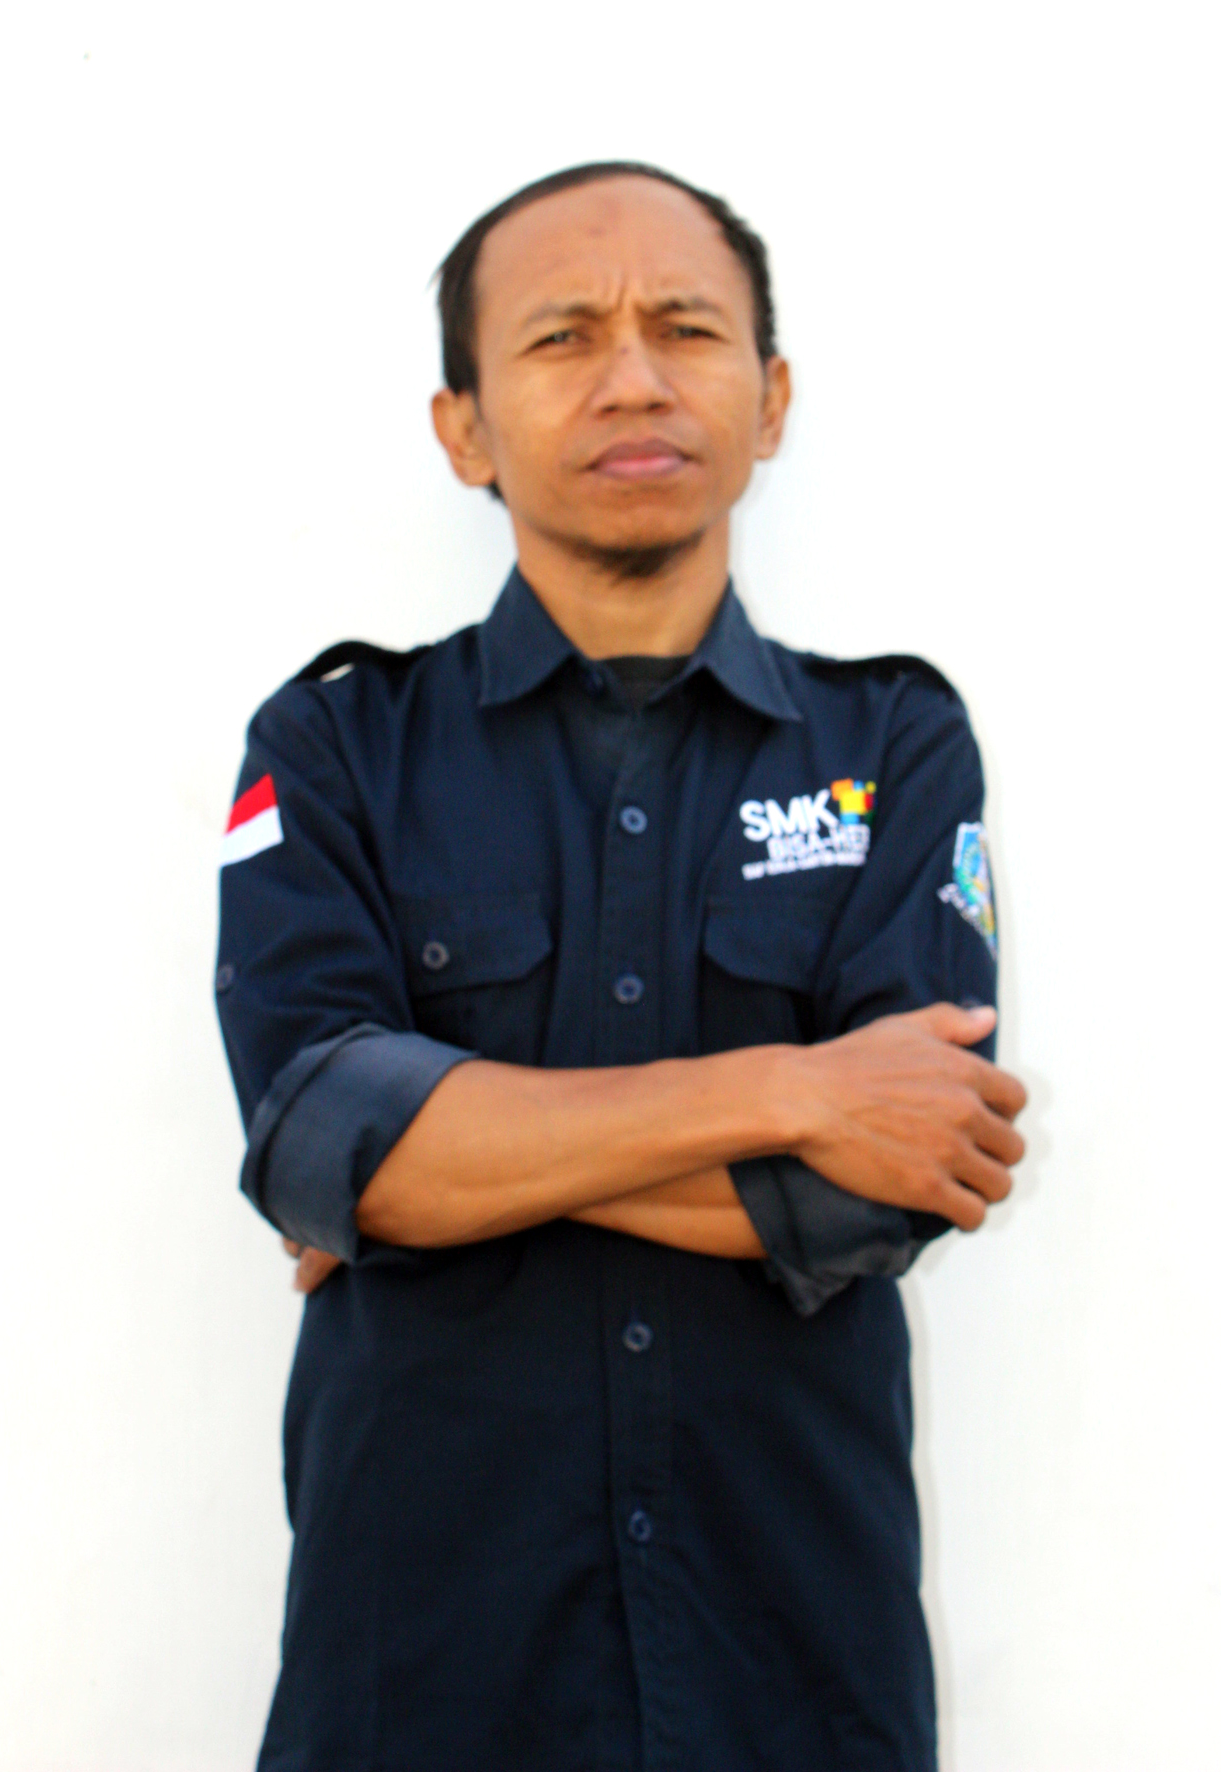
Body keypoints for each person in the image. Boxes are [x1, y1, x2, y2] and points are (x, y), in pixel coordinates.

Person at [214, 161, 1027, 1772]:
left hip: (793, 1667)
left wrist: (444, 1165)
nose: (635, 378)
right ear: (464, 428)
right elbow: (318, 1141)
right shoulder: (336, 745)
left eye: (687, 328)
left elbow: (891, 1186)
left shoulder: (893, 743)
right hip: (426, 1668)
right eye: (564, 336)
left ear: (770, 399)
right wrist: (791, 1091)